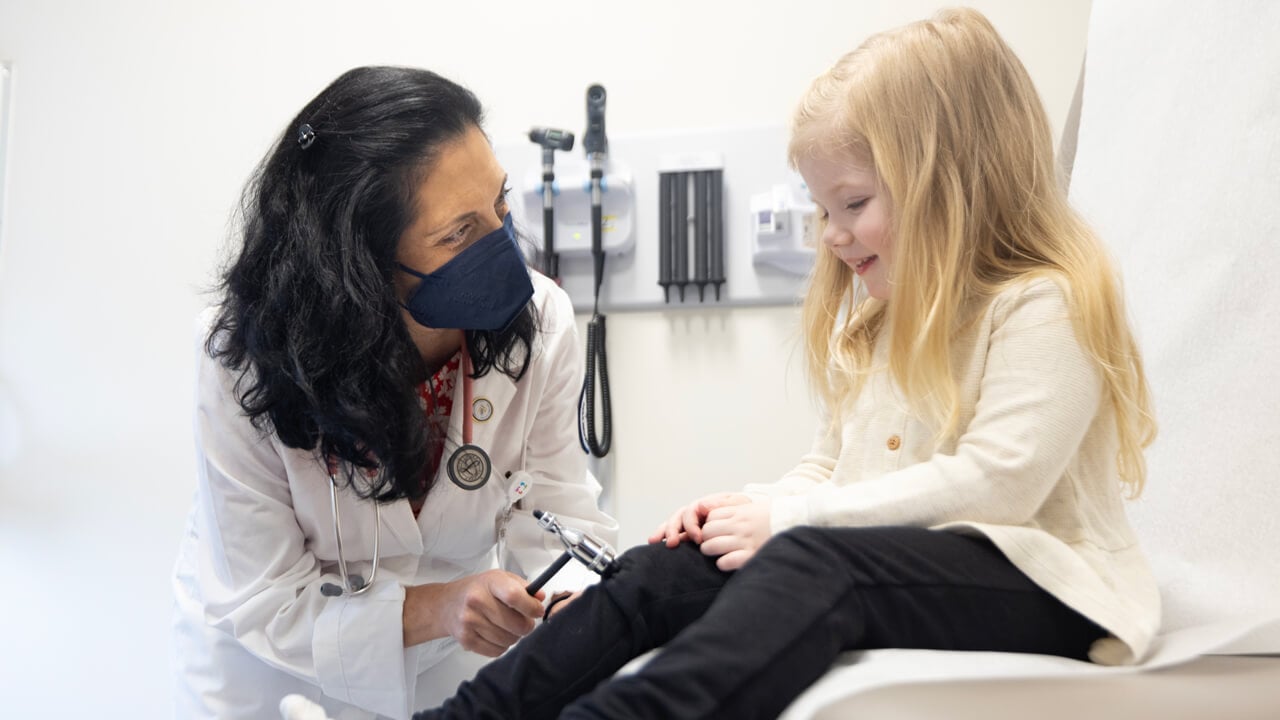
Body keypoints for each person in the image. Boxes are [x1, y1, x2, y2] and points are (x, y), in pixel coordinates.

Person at [411, 8, 1161, 720]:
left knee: (813, 564)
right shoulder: (883, 326)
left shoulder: (1042, 303)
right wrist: (742, 512)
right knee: (658, 570)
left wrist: (790, 521)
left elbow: (998, 485)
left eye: (854, 202)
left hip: (1045, 581)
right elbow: (831, 470)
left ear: (955, 184)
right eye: (823, 208)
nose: (832, 234)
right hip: (897, 562)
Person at [171, 66, 618, 720]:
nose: (500, 247)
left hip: (445, 665)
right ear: (358, 257)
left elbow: (557, 513)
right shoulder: (245, 356)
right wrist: (438, 604)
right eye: (458, 233)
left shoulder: (541, 320)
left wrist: (576, 604)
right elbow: (260, 597)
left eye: (498, 204)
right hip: (267, 675)